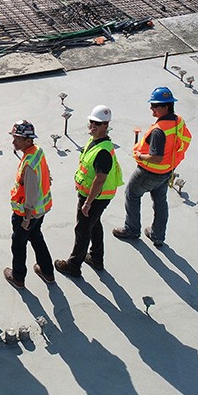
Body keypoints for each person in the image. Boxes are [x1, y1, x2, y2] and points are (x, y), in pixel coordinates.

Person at [112, 86, 192, 248]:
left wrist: (140, 156)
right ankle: (158, 235)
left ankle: (132, 229)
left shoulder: (158, 131)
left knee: (132, 195)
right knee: (160, 201)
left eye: (155, 105)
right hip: (167, 171)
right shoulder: (178, 121)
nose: (151, 108)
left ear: (166, 107)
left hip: (149, 172)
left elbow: (156, 157)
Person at [55, 106, 124, 278]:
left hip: (95, 197)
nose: (92, 126)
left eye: (98, 123)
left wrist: (88, 203)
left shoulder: (103, 152)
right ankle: (96, 258)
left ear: (106, 125)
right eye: (92, 122)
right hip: (93, 195)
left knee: (82, 229)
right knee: (94, 224)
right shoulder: (95, 142)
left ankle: (73, 265)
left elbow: (100, 179)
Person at [3, 120, 54, 289]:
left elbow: (30, 194)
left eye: (17, 139)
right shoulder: (37, 152)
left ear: (28, 140)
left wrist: (26, 218)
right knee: (36, 237)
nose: (14, 142)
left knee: (18, 244)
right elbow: (45, 172)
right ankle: (47, 271)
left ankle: (18, 277)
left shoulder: (29, 163)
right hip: (41, 210)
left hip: (27, 214)